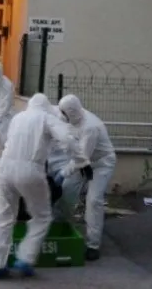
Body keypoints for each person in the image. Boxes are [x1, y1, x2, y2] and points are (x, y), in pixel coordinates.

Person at [0, 93, 80, 282]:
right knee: (42, 216)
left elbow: (6, 141)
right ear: (46, 106)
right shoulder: (46, 118)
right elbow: (67, 138)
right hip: (30, 170)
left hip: (4, 168)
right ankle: (25, 258)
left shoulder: (18, 117)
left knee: (4, 217)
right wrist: (77, 156)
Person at [53, 94, 117, 261]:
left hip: (101, 164)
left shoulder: (90, 127)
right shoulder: (72, 117)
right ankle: (60, 226)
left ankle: (93, 245)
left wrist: (62, 173)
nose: (62, 116)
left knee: (93, 201)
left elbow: (81, 158)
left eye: (65, 113)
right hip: (84, 162)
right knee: (65, 191)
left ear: (71, 112)